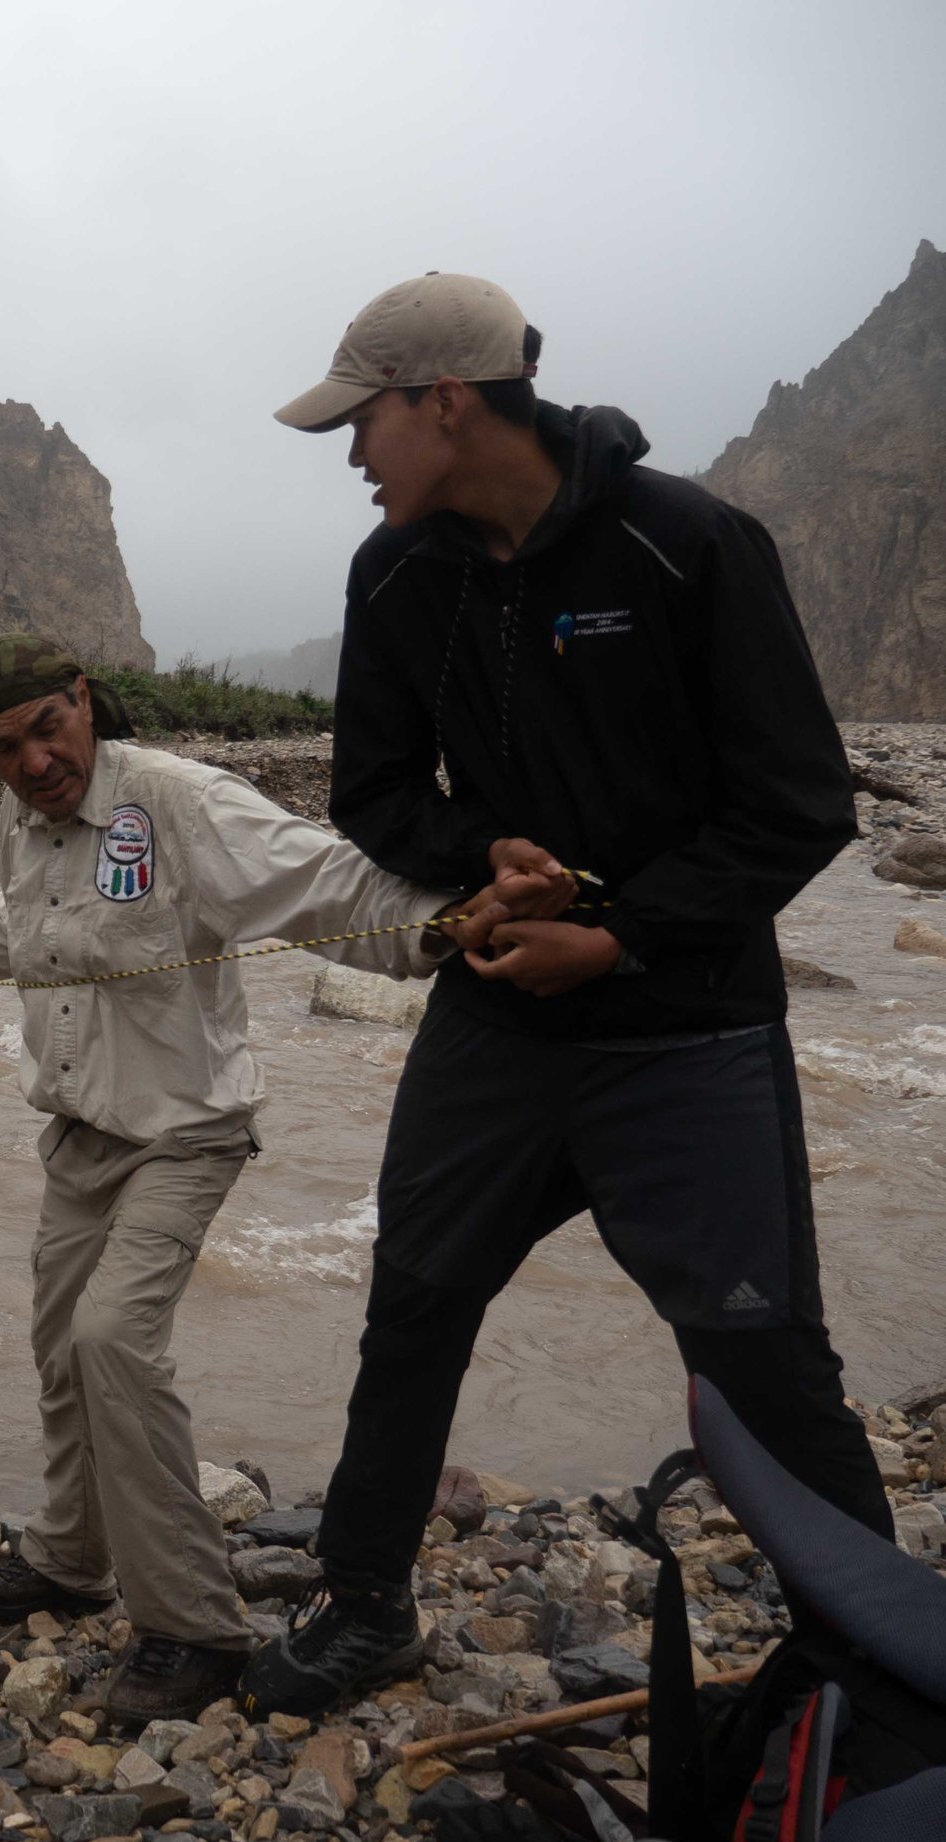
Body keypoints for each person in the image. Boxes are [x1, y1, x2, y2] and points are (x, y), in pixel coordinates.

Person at [241, 273, 894, 1719]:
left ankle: (881, 1657)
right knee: (413, 1302)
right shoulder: (396, 575)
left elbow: (799, 806)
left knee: (764, 1353)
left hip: (690, 1027)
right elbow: (374, 788)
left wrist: (624, 934)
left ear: (447, 403)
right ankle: (365, 1604)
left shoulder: (692, 545)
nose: (353, 457)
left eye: (364, 423)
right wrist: (480, 853)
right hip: (500, 1022)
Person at [0, 633, 523, 1724]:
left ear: (82, 701)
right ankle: (75, 1552)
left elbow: (315, 881)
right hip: (81, 1134)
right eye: (3, 747)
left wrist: (440, 925)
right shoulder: (20, 819)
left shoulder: (176, 801)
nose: (35, 761)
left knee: (111, 1344)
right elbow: (21, 918)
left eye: (49, 729)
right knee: (58, 1346)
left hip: (186, 1132)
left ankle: (192, 1624)